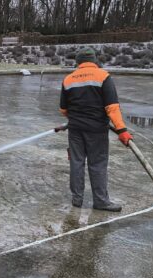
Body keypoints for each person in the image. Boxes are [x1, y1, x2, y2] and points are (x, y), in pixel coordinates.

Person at [59, 48, 133, 212]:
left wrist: (77, 118)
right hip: (97, 130)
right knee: (97, 164)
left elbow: (63, 109)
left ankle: (77, 199)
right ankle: (100, 201)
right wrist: (122, 130)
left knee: (76, 162)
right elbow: (112, 107)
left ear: (78, 62)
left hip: (75, 129)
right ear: (94, 60)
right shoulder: (103, 76)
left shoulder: (68, 79)